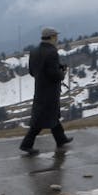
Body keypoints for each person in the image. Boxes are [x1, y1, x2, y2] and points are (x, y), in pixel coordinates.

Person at [19, 27, 73, 155]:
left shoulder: (34, 51)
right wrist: (62, 73)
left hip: (40, 89)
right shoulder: (52, 52)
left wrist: (56, 67)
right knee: (40, 120)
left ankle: (61, 139)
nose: (57, 39)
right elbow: (54, 75)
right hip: (50, 91)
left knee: (52, 115)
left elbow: (33, 71)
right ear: (52, 37)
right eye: (56, 37)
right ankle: (26, 144)